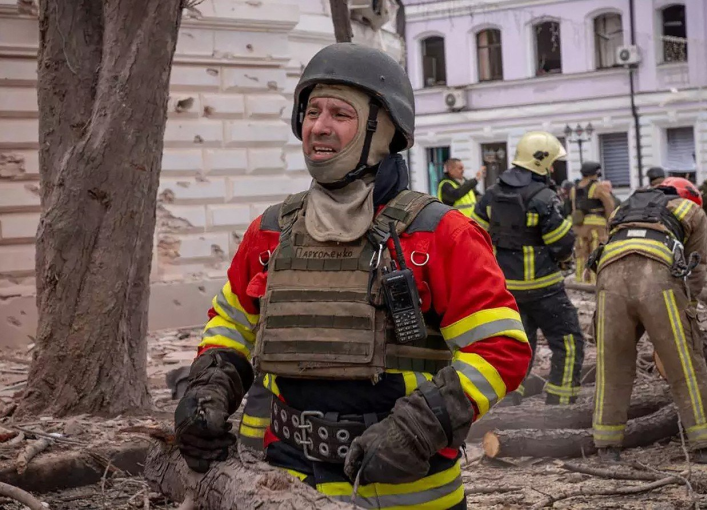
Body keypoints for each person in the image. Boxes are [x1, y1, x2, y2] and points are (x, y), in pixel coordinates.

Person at [172, 43, 531, 509]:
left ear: (385, 132)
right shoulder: (270, 231)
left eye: (341, 114)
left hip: (406, 486)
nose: (319, 126)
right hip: (284, 483)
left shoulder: (441, 234)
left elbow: (500, 349)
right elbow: (232, 323)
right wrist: (208, 386)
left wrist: (419, 426)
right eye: (312, 111)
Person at [590, 177, 707, 463]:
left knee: (612, 364)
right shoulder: (692, 211)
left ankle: (607, 446)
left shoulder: (622, 209)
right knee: (685, 363)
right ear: (690, 196)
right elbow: (696, 267)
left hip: (608, 280)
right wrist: (689, 310)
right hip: (656, 279)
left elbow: (611, 249)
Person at [472, 132, 584, 406]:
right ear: (542, 162)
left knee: (518, 346)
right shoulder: (543, 197)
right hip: (544, 288)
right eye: (552, 162)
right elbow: (561, 243)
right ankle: (560, 404)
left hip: (506, 289)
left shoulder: (491, 194)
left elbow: (475, 236)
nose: (554, 168)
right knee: (568, 342)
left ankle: (510, 402)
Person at [572, 161, 615, 284]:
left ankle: (581, 280)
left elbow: (574, 208)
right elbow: (609, 205)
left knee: (581, 253)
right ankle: (595, 281)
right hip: (597, 226)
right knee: (596, 252)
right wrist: (610, 221)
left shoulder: (574, 189)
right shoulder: (598, 186)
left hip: (580, 226)